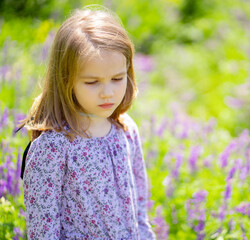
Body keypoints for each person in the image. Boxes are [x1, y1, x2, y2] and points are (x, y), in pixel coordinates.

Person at [18, 6, 157, 239]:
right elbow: (43, 231)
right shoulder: (53, 147)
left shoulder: (125, 129)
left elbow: (139, 210)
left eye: (117, 79)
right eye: (92, 82)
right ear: (65, 81)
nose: (107, 93)